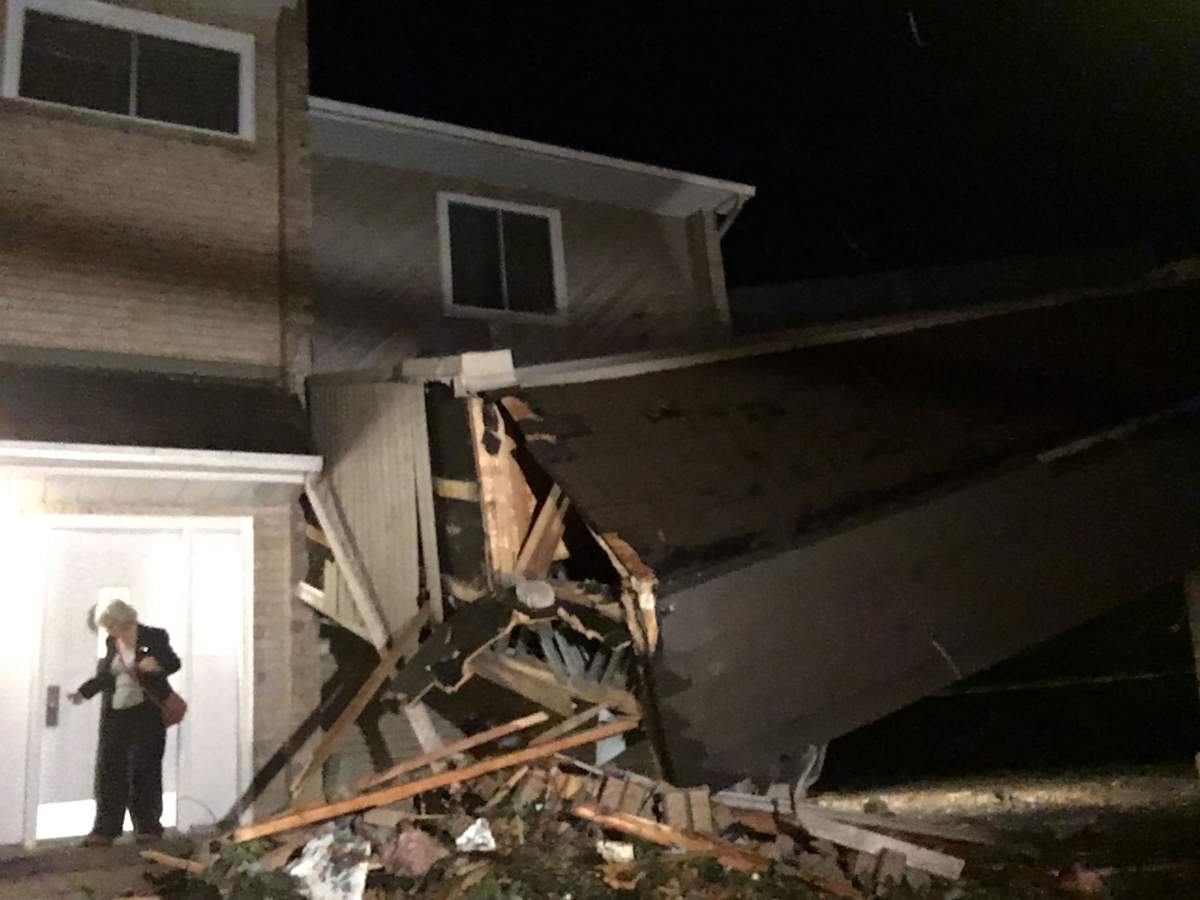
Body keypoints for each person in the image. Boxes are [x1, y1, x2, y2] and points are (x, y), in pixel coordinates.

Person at [67, 600, 181, 847]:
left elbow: (173, 662)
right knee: (110, 769)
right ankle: (106, 829)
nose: (109, 632)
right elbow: (106, 676)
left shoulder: (154, 636)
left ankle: (147, 826)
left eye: (111, 626)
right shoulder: (112, 642)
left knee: (145, 769)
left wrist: (156, 665)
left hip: (146, 713)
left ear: (123, 622)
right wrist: (84, 692)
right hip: (117, 714)